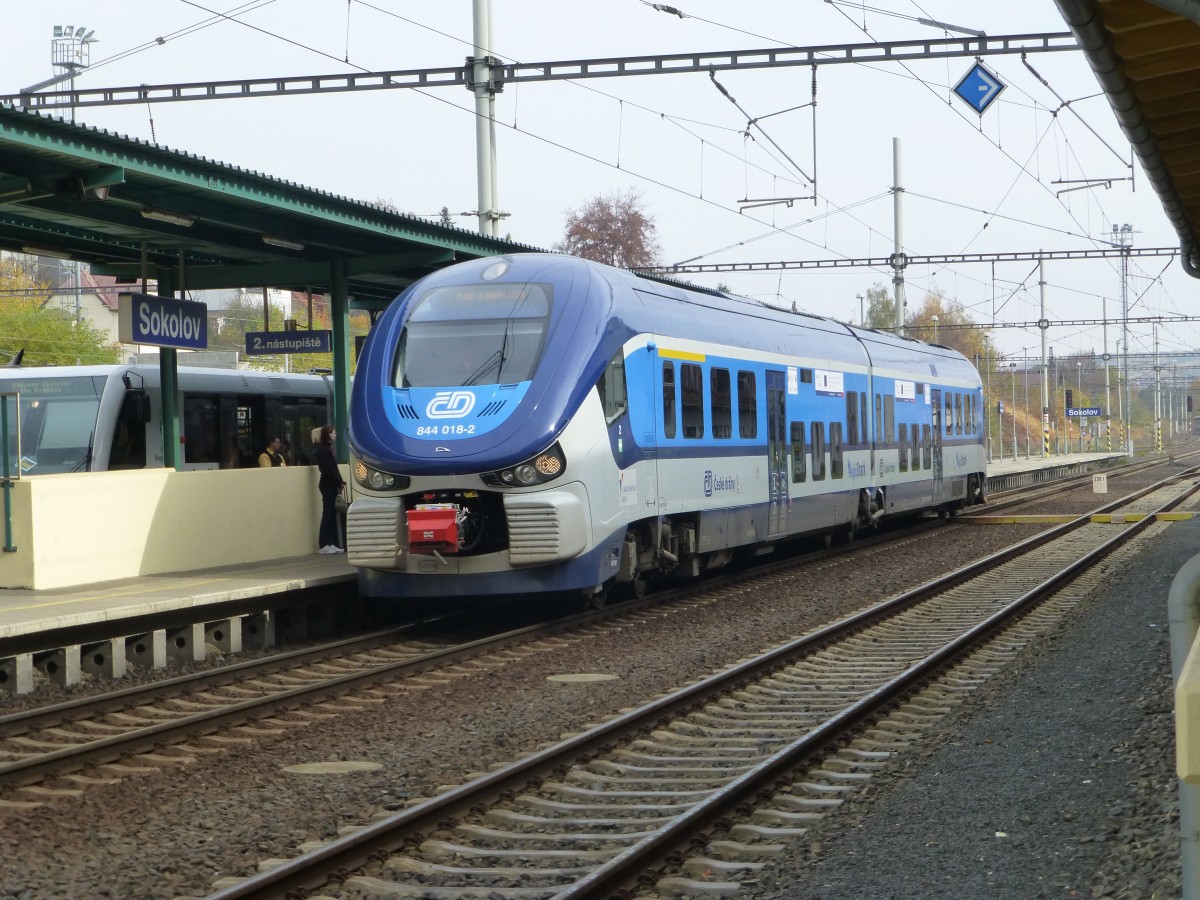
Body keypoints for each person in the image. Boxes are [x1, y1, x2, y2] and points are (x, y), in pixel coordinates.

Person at [313, 424, 346, 554]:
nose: (335, 435)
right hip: (328, 485)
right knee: (328, 513)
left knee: (331, 513)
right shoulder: (324, 450)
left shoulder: (327, 449)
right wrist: (339, 482)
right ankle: (324, 543)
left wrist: (340, 482)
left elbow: (334, 469)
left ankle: (330, 542)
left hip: (330, 484)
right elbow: (329, 469)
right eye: (333, 433)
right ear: (328, 435)